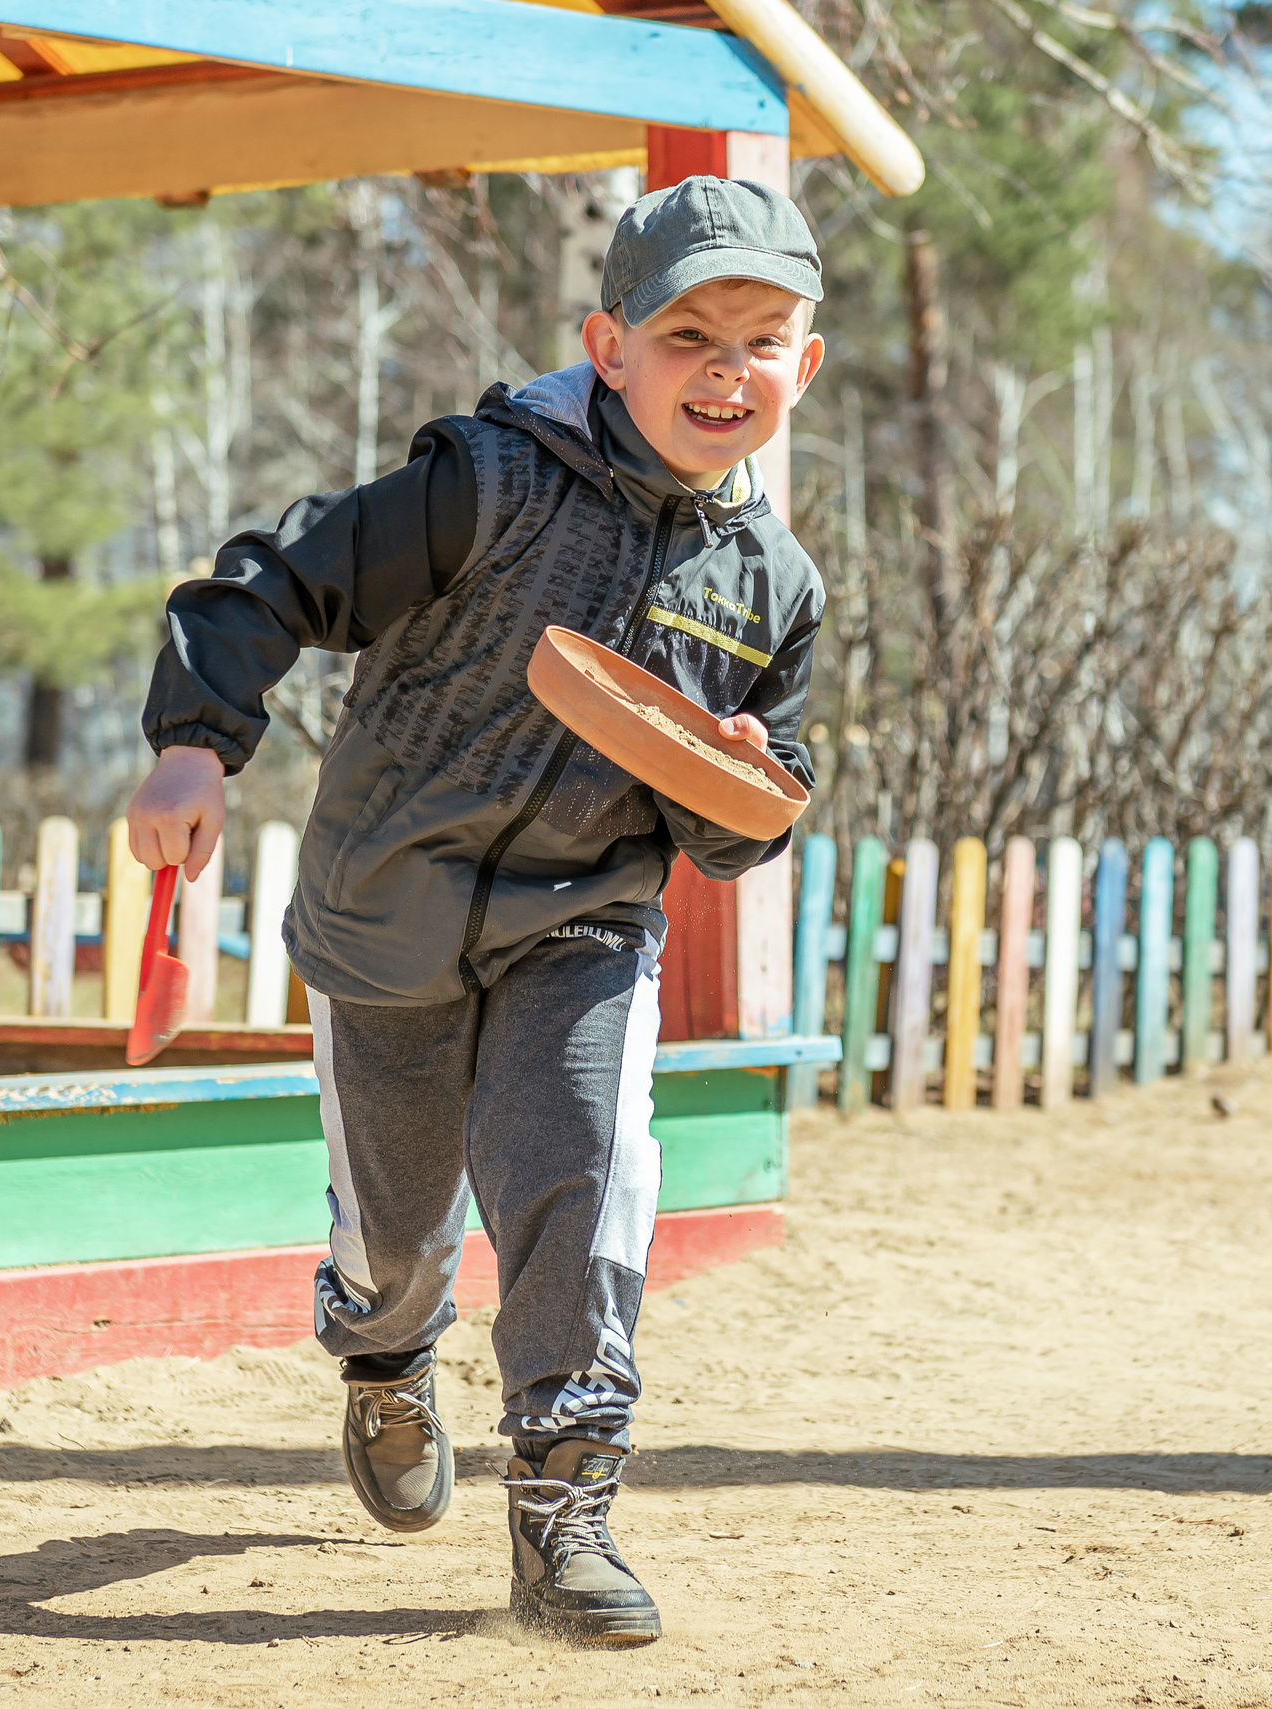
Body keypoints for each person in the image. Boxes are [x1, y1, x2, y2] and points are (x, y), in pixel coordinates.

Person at [123, 175, 827, 1647]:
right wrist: (196, 737)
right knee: (399, 1236)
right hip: (388, 911)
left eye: (761, 342)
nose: (725, 370)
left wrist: (748, 784)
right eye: (688, 333)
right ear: (607, 342)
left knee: (584, 1172)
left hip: (586, 919)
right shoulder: (486, 481)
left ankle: (566, 1510)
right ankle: (382, 1359)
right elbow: (275, 579)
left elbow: (748, 814)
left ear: (803, 369)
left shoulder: (773, 583)